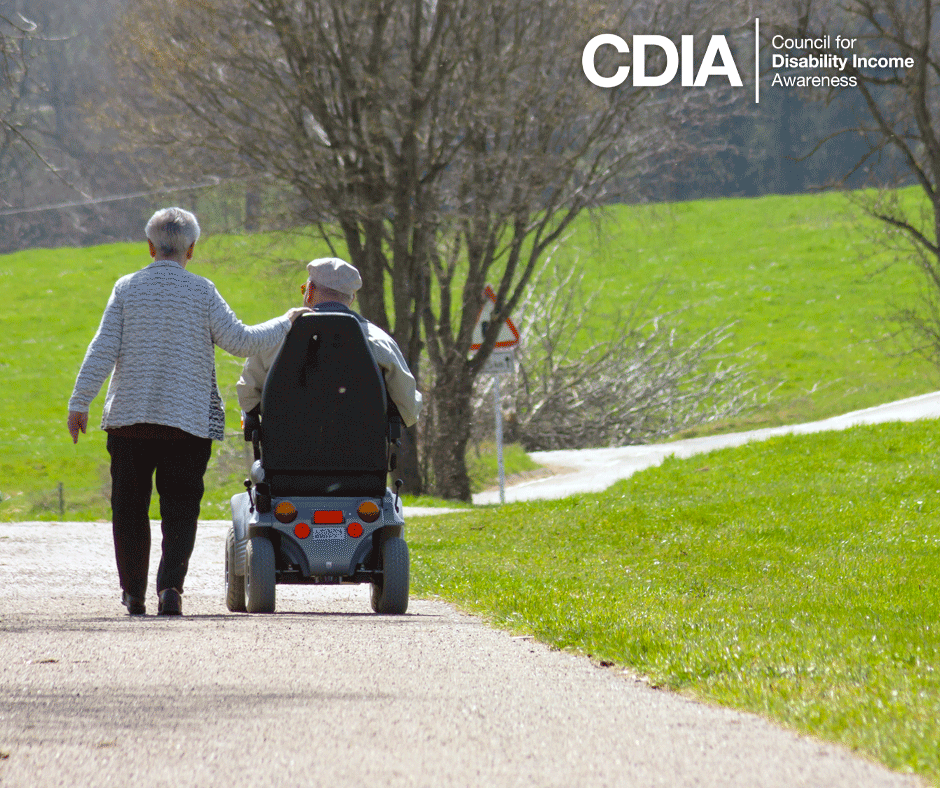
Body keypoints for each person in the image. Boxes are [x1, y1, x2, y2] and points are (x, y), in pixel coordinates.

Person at [67, 207, 309, 617]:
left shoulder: (126, 288)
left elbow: (102, 348)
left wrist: (80, 401)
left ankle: (133, 593)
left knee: (128, 509)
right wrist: (286, 322)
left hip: (130, 422)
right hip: (187, 424)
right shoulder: (202, 291)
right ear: (191, 249)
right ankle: (170, 589)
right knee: (180, 509)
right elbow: (241, 341)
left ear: (150, 247)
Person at [236, 257, 423, 428]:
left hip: (286, 459)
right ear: (351, 300)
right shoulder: (380, 342)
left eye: (304, 289)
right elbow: (408, 408)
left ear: (309, 292)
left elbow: (248, 398)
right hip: (360, 461)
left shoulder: (273, 336)